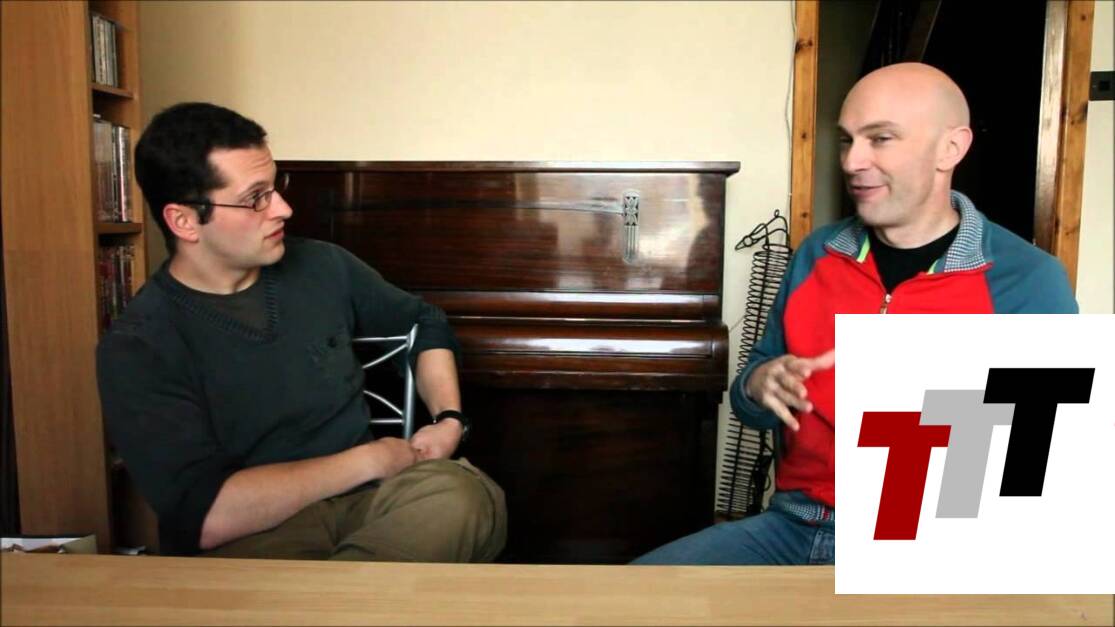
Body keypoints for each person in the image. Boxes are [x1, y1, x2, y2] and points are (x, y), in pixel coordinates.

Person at [633, 62, 1077, 565]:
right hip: (793, 525)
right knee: (635, 591)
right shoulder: (817, 253)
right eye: (847, 140)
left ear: (950, 148)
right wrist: (760, 384)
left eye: (880, 139)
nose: (851, 161)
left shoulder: (1028, 280)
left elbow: (1042, 472)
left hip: (930, 546)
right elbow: (749, 402)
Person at [97, 102, 506, 561]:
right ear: (185, 221)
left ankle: (338, 594)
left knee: (464, 495)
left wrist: (448, 419)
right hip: (258, 534)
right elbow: (208, 517)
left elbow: (424, 322)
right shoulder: (139, 346)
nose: (283, 209)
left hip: (374, 506)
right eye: (256, 198)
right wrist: (366, 461)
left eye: (276, 187)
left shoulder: (323, 266)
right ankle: (358, 593)